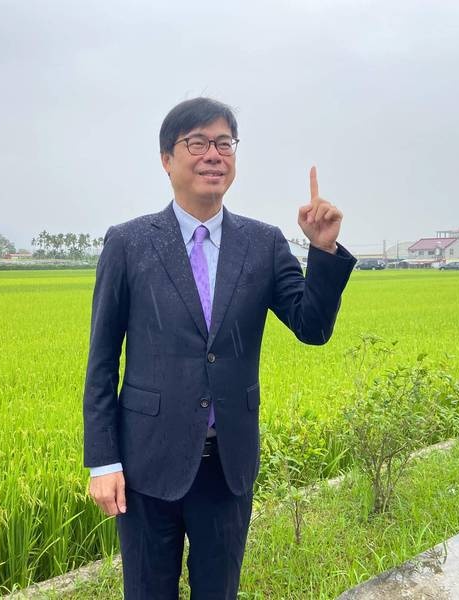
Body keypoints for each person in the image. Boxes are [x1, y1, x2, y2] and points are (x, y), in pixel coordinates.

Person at [82, 97, 355, 599]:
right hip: (146, 463)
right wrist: (103, 461)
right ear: (167, 159)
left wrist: (322, 250)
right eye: (197, 143)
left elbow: (312, 326)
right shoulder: (129, 243)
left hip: (227, 464)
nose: (213, 154)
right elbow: (101, 361)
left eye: (224, 143)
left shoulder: (263, 243)